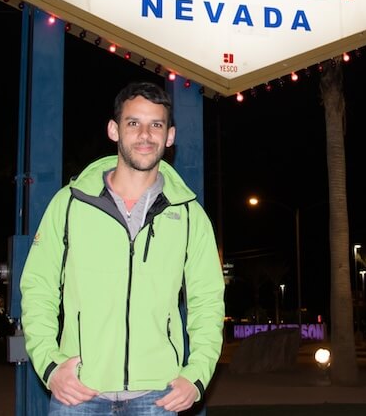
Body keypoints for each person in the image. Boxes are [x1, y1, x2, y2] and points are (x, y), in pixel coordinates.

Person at [20, 80, 226, 414]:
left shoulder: (189, 215)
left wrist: (197, 375)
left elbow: (208, 301)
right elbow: (38, 287)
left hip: (158, 394)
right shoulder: (69, 204)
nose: (145, 135)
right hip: (79, 391)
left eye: (156, 125)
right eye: (133, 123)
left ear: (170, 136)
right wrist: (50, 365)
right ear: (114, 130)